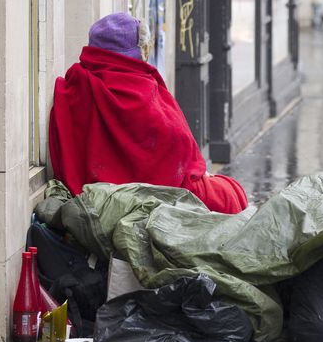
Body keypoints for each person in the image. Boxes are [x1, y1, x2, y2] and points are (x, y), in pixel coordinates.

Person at [48, 13, 248, 214]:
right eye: (145, 46)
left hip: (96, 197)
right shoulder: (140, 87)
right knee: (231, 195)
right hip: (154, 195)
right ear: (138, 50)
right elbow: (176, 147)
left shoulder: (74, 84)